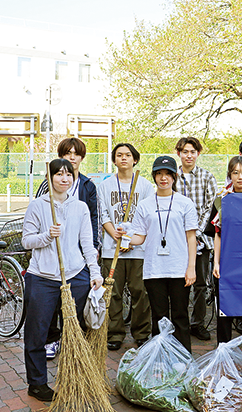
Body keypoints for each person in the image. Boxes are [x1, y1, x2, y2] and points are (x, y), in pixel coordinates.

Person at [22, 159, 103, 402]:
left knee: (76, 330)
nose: (64, 178)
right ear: (50, 177)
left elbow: (88, 243)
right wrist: (47, 236)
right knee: (38, 332)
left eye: (69, 174)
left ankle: (74, 377)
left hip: (75, 275)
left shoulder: (80, 207)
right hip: (42, 277)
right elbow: (27, 241)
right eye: (59, 174)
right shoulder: (37, 206)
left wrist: (95, 272)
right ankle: (37, 383)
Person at [35, 137, 100, 360]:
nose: (72, 157)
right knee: (52, 301)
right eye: (67, 153)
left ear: (81, 157)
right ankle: (52, 339)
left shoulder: (87, 185)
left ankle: (71, 338)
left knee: (75, 302)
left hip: (77, 253)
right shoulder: (47, 184)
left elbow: (93, 218)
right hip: (51, 254)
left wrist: (93, 249)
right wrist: (46, 235)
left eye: (76, 153)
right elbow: (39, 213)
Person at [128, 156, 198, 353]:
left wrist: (191, 267)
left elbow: (191, 237)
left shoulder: (185, 203)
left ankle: (184, 357)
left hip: (179, 268)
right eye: (159, 174)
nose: (163, 178)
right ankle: (160, 357)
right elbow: (139, 237)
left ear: (175, 177)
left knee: (180, 315)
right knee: (158, 316)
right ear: (154, 177)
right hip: (154, 268)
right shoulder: (145, 205)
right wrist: (123, 235)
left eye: (168, 174)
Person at [97, 143, 154, 351]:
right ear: (114, 160)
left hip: (138, 249)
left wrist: (130, 240)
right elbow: (102, 214)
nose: (123, 158)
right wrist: (115, 234)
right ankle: (114, 333)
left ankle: (141, 333)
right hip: (112, 249)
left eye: (127, 155)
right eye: (119, 155)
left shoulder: (146, 186)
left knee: (140, 292)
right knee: (113, 292)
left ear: (135, 159)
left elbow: (148, 216)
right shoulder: (104, 186)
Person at [208, 156, 242, 354]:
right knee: (225, 305)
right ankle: (224, 348)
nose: (240, 177)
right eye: (235, 172)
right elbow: (218, 234)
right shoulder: (222, 200)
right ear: (230, 175)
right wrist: (217, 263)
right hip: (228, 261)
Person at [173, 137, 217, 342]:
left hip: (202, 240)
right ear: (179, 153)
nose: (189, 155)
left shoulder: (207, 177)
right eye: (185, 152)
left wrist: (197, 233)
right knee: (177, 282)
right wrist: (182, 234)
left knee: (200, 283)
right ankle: (177, 322)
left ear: (198, 154)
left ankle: (197, 322)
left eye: (192, 152)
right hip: (176, 239)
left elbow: (210, 208)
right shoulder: (171, 177)